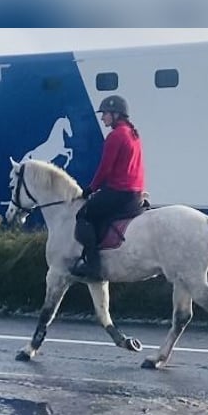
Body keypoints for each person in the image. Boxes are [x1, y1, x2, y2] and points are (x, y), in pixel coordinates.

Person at [71, 95, 146, 279]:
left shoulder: (116, 136)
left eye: (104, 113)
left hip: (120, 192)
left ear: (115, 114)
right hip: (136, 194)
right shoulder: (133, 134)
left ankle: (93, 265)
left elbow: (105, 168)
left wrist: (90, 188)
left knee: (84, 215)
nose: (103, 117)